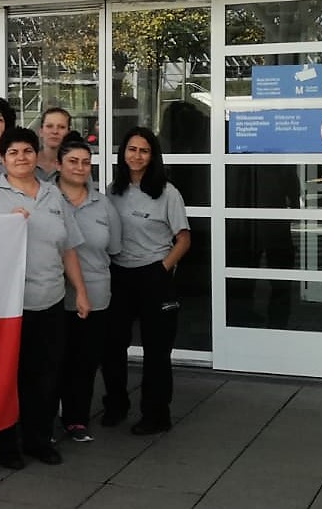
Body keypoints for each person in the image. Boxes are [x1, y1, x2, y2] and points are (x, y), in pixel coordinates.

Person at [0, 127, 89, 469]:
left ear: (36, 156)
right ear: (3, 159)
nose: (21, 158)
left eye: (26, 151)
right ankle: (5, 443)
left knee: (46, 376)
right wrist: (3, 226)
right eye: (13, 153)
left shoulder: (52, 195)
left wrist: (79, 292)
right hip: (9, 305)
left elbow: (67, 249)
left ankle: (39, 439)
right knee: (9, 376)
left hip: (49, 300)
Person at [102, 126, 191, 436]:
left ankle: (156, 413)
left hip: (154, 276)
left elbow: (183, 239)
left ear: (152, 156)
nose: (136, 155)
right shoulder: (113, 191)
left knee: (156, 351)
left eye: (143, 150)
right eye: (131, 149)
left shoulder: (168, 193)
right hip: (120, 276)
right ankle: (116, 404)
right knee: (112, 347)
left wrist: (162, 269)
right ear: (123, 153)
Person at [54, 137, 121, 443]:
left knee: (84, 362)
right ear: (58, 164)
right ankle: (45, 419)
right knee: (54, 362)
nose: (80, 168)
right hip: (54, 296)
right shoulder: (45, 199)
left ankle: (76, 419)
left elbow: (115, 247)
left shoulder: (103, 204)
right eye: (73, 161)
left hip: (95, 295)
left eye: (85, 162)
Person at [34, 107, 72, 180]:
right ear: (41, 131)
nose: (55, 131)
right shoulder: (27, 161)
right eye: (49, 126)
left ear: (68, 132)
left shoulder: (77, 164)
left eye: (61, 127)